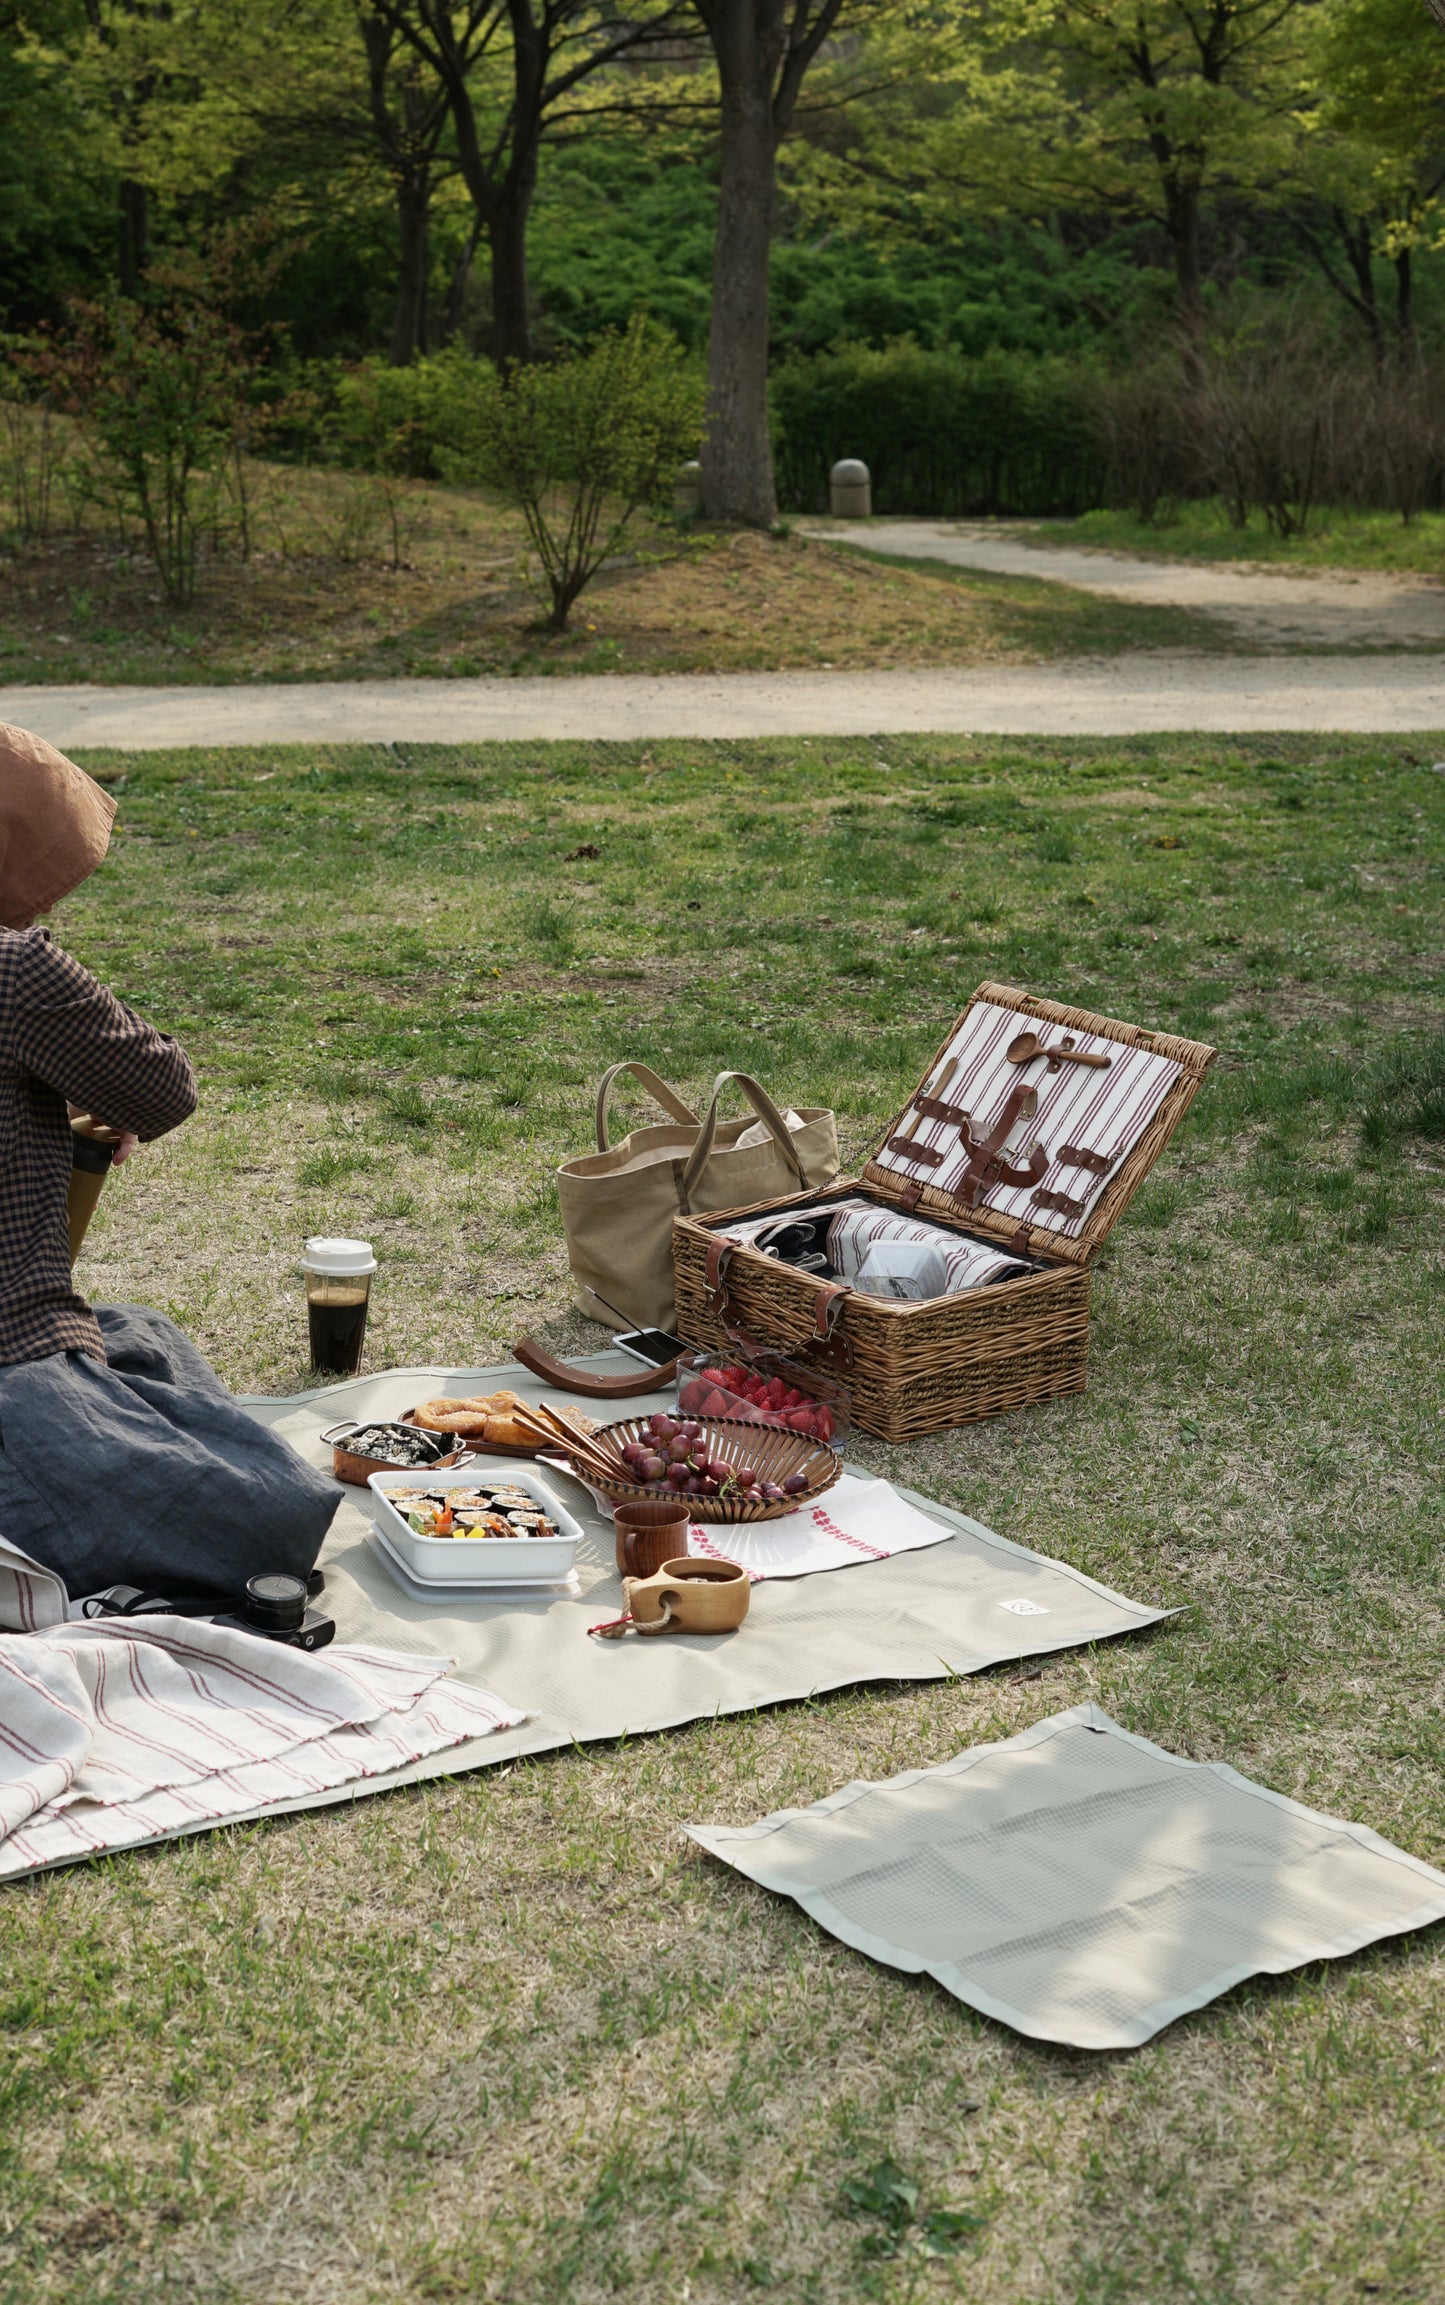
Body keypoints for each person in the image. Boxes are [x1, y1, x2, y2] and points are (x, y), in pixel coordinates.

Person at [0, 721, 341, 1603]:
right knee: (275, 1520)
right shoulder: (13, 973)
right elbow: (164, 1088)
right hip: (8, 1368)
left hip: (28, 1340)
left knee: (141, 1335)